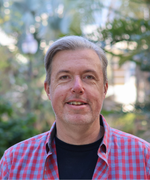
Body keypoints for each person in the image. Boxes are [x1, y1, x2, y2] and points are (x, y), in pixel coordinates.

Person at [0, 36, 150, 180]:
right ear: (48, 89)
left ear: (104, 89)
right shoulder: (13, 163)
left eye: (89, 77)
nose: (77, 87)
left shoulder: (144, 160)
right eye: (64, 77)